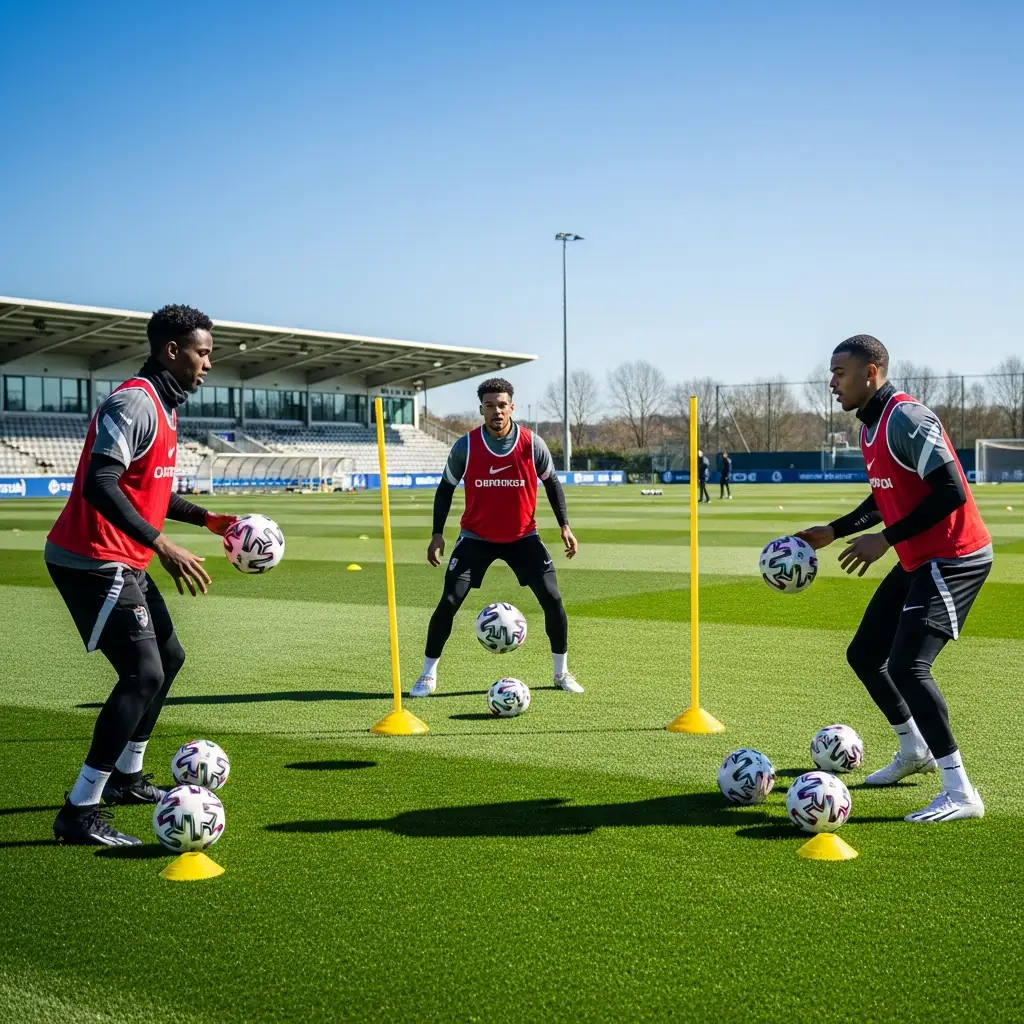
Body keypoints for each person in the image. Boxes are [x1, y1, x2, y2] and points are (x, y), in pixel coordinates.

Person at [46, 305, 241, 846]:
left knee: (170, 658)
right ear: (171, 351)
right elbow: (99, 483)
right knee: (143, 674)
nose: (208, 363)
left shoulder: (166, 406)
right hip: (90, 559)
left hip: (122, 557)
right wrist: (161, 543)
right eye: (202, 352)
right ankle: (79, 811)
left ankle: (126, 777)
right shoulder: (135, 401)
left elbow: (147, 489)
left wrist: (206, 520)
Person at [797, 334, 991, 823]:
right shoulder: (869, 428)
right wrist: (836, 530)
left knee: (908, 665)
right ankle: (915, 750)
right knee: (865, 654)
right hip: (917, 558)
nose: (831, 383)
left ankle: (961, 791)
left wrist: (884, 539)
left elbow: (950, 490)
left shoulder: (906, 416)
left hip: (954, 557)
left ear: (872, 372)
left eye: (840, 373)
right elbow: (885, 495)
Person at [411, 377, 582, 696]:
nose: (497, 411)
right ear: (481, 409)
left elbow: (552, 483)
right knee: (449, 601)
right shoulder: (467, 446)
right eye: (490, 406)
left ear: (512, 407)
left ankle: (562, 673)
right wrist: (437, 534)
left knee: (553, 599)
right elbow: (445, 488)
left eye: (502, 405)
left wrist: (565, 526)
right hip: (476, 538)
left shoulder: (532, 444)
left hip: (523, 537)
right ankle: (427, 675)